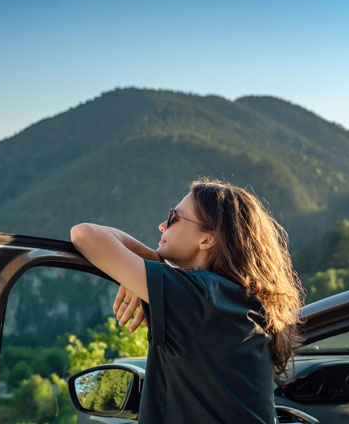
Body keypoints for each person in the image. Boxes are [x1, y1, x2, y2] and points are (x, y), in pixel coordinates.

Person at [70, 178, 304, 423]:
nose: (162, 226)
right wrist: (150, 271)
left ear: (206, 239)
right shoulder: (239, 300)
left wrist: (151, 265)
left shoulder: (199, 297)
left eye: (173, 219)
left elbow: (85, 235)